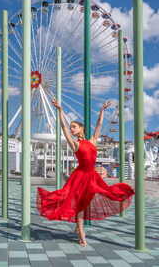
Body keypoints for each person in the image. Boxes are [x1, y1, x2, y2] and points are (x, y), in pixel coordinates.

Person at [37, 99, 135, 247]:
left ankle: (78, 229)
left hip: (92, 176)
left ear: (82, 128)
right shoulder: (74, 144)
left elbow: (99, 125)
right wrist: (60, 111)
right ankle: (81, 231)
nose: (72, 129)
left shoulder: (93, 141)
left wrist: (102, 109)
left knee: (106, 192)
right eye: (71, 128)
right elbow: (63, 126)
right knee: (80, 203)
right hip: (80, 176)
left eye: (74, 127)